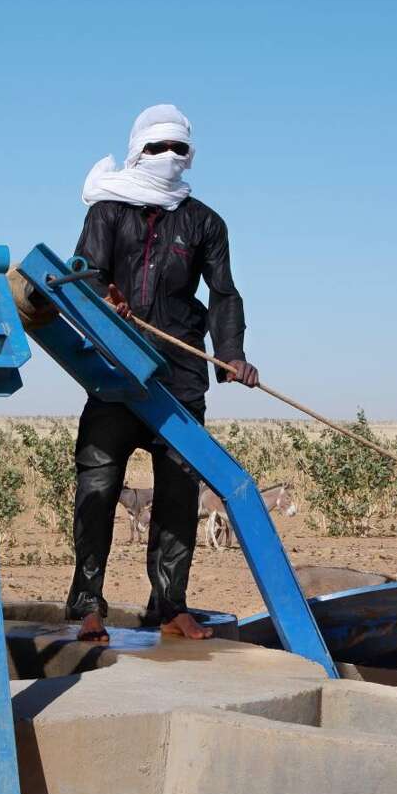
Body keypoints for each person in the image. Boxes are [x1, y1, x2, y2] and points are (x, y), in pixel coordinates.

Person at [66, 104, 259, 642]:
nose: (169, 156)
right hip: (115, 372)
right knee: (97, 485)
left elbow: (223, 293)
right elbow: (85, 276)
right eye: (158, 147)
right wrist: (107, 303)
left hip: (180, 375)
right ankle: (87, 604)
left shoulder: (205, 222)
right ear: (137, 150)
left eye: (179, 148)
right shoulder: (107, 212)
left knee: (177, 492)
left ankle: (169, 606)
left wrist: (232, 353)